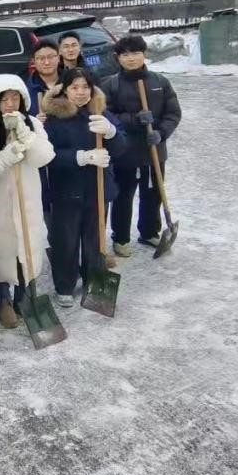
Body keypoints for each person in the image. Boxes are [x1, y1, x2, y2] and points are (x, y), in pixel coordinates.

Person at [40, 69, 127, 305]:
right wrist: (83, 157)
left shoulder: (101, 114)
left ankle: (93, 280)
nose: (80, 92)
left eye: (85, 87)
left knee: (95, 240)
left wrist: (111, 133)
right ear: (65, 90)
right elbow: (47, 156)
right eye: (74, 87)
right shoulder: (53, 120)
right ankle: (65, 285)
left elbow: (121, 148)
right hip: (66, 191)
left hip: (98, 188)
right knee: (65, 241)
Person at [99, 35, 182, 257]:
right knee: (123, 196)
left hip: (154, 149)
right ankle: (120, 238)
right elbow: (106, 114)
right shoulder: (110, 85)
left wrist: (161, 132)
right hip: (124, 151)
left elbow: (173, 113)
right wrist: (134, 119)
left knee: (153, 194)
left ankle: (148, 232)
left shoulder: (160, 82)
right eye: (125, 54)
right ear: (118, 58)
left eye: (135, 53)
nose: (131, 58)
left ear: (144, 54)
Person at [0, 74, 55, 325]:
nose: (10, 104)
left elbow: (44, 157)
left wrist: (24, 132)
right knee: (1, 251)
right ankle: (0, 301)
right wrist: (6, 155)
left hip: (28, 197)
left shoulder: (32, 123)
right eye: (4, 99)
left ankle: (24, 297)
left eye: (15, 98)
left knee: (27, 245)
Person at [26, 40, 63, 116]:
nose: (47, 62)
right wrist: (34, 121)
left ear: (58, 58)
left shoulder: (71, 83)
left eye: (50, 57)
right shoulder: (26, 89)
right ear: (34, 61)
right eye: (41, 58)